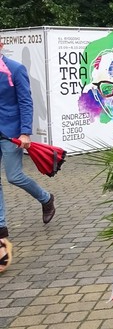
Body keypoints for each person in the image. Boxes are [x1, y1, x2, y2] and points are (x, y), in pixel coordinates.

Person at [0, 40, 56, 273]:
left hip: (11, 133)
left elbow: (25, 101)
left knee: (14, 176)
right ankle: (1, 231)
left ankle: (46, 198)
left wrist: (25, 132)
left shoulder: (15, 69)